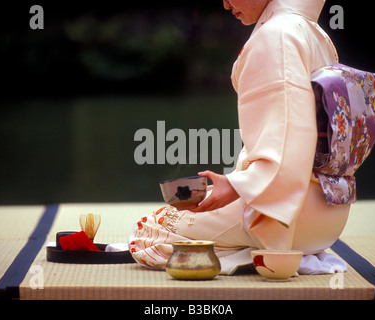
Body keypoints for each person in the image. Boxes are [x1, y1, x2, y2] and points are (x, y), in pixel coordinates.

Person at [128, 0, 350, 275]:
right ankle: (254, 250)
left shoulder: (277, 34)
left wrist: (236, 186)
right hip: (330, 214)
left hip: (290, 217)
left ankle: (268, 253)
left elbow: (289, 139)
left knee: (147, 234)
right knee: (192, 208)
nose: (224, 3)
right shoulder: (316, 33)